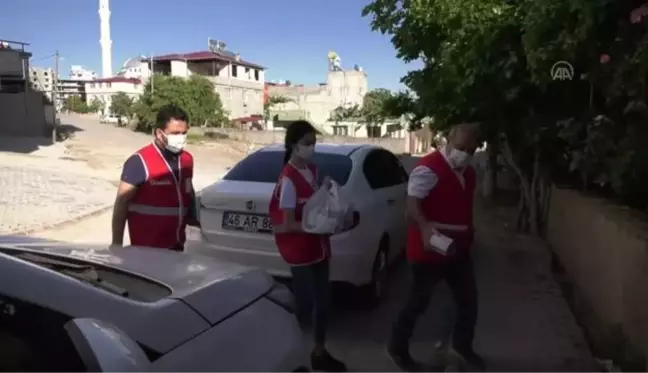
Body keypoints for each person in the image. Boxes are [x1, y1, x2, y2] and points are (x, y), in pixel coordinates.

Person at [387, 123, 485, 372]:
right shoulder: (428, 169)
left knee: (468, 301)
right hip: (429, 251)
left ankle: (462, 347)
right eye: (461, 147)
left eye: (471, 150)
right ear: (448, 142)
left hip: (457, 250)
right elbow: (411, 207)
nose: (464, 153)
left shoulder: (469, 172)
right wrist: (424, 225)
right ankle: (397, 348)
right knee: (418, 303)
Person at [268, 120, 346, 373]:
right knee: (305, 307)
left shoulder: (312, 171)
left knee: (324, 304)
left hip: (318, 248)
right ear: (293, 145)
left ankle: (319, 352)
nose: (311, 148)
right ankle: (296, 359)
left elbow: (314, 206)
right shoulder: (288, 180)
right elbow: (286, 224)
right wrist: (317, 226)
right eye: (306, 143)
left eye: (314, 143)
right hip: (301, 252)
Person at [111, 104, 199, 251]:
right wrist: (116, 244)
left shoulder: (187, 160)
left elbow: (189, 194)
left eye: (184, 133)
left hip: (178, 248)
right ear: (159, 133)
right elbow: (121, 203)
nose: (181, 138)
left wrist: (195, 227)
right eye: (175, 133)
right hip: (146, 250)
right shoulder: (140, 161)